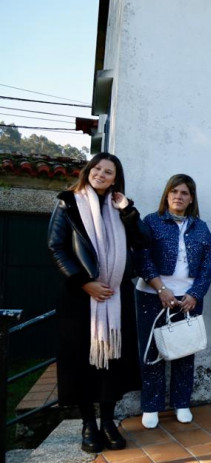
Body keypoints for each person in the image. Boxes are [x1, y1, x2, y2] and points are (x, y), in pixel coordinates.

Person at [47, 152, 146, 453]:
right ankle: (88, 424)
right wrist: (85, 283)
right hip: (80, 298)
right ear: (89, 170)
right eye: (97, 168)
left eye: (108, 171)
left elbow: (141, 243)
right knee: (82, 362)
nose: (101, 174)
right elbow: (56, 247)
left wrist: (128, 211)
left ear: (116, 178)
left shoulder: (121, 207)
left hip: (117, 296)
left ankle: (108, 421)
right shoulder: (68, 202)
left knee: (113, 363)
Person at [135, 174, 211, 429]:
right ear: (167, 195)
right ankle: (151, 406)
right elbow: (143, 257)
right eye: (174, 192)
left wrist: (196, 294)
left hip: (188, 299)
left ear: (191, 198)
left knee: (184, 352)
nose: (178, 197)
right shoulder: (152, 222)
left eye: (184, 193)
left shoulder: (200, 227)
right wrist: (161, 288)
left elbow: (207, 263)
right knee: (152, 352)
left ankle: (182, 403)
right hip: (153, 296)